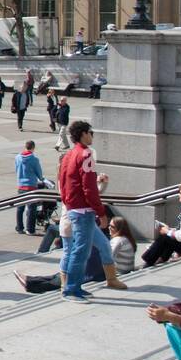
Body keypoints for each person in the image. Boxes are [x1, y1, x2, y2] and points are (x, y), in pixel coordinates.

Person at [57, 120, 107, 300]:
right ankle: (71, 289)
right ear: (84, 134)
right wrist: (101, 212)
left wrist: (67, 201)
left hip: (73, 207)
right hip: (83, 210)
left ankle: (75, 285)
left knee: (78, 249)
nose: (92, 136)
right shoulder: (86, 155)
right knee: (81, 251)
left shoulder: (70, 154)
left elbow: (62, 180)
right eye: (91, 132)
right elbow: (90, 188)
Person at [14, 142, 44, 235]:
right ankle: (30, 229)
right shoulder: (34, 159)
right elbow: (38, 172)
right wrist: (41, 178)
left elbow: (16, 169)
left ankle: (19, 227)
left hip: (21, 185)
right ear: (33, 148)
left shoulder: (17, 157)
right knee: (32, 209)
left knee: (20, 208)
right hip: (31, 185)